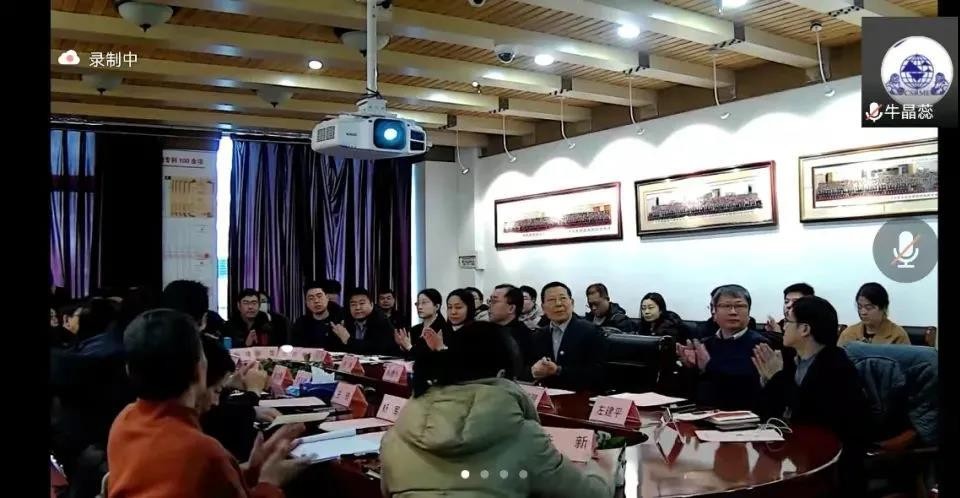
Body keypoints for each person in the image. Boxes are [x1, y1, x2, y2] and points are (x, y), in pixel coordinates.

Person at [380, 321, 614, 498]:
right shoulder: (523, 437)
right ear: (502, 374)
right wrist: (602, 466)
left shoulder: (398, 432)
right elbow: (593, 494)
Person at [107, 309, 311, 498]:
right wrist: (269, 483)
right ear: (199, 369)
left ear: (129, 370)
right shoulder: (201, 451)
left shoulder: (124, 420)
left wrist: (251, 470)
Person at [753, 296, 870, 496]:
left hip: (832, 465)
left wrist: (776, 378)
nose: (783, 327)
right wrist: (768, 381)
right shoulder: (792, 360)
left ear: (805, 329)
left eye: (788, 321)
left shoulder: (837, 366)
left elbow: (810, 414)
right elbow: (767, 414)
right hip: (793, 454)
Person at [677, 284, 769, 410]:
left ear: (749, 312)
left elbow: (745, 386)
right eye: (726, 306)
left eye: (740, 306)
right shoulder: (705, 344)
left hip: (742, 415)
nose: (733, 312)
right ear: (714, 312)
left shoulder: (760, 344)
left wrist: (708, 366)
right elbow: (694, 389)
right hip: (704, 412)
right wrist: (690, 367)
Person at [528, 282, 607, 392]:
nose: (558, 304)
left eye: (563, 298)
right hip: (546, 396)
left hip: (580, 396)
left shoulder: (591, 331)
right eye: (551, 300)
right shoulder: (538, 335)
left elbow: (599, 373)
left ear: (572, 303)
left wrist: (558, 370)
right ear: (543, 307)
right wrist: (535, 371)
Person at [838, 282, 909, 346]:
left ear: (883, 307)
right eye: (859, 307)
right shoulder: (848, 334)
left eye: (868, 308)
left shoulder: (898, 335)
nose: (863, 312)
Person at [329, 288, 396, 355]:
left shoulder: (382, 322)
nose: (357, 308)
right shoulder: (345, 320)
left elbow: (376, 349)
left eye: (362, 303)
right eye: (353, 304)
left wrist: (348, 340)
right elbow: (335, 348)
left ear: (371, 305)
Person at [488, 284, 536, 374]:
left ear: (511, 308)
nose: (489, 305)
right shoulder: (484, 331)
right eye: (489, 301)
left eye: (494, 301)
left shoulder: (524, 336)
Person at [393, 288, 448, 358]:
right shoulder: (414, 329)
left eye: (424, 303)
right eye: (418, 303)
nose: (419, 307)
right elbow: (408, 356)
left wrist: (409, 347)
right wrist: (402, 346)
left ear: (437, 306)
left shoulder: (443, 329)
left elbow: (429, 357)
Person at [289, 281, 342, 348]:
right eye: (311, 298)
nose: (316, 301)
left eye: (319, 296)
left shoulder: (340, 321)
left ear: (327, 298)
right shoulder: (301, 323)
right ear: (306, 303)